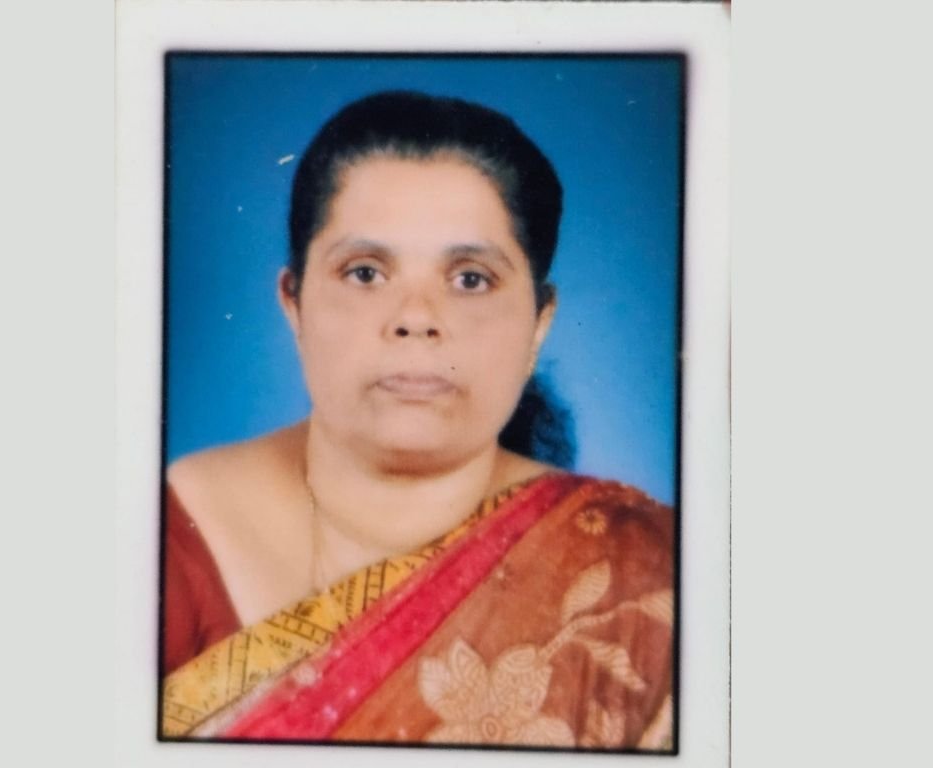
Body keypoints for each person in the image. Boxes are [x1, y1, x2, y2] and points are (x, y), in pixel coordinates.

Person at [160, 90, 674, 750]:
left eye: (470, 279)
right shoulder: (169, 542)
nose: (416, 317)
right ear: (294, 303)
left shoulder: (649, 572)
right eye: (365, 272)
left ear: (539, 322)